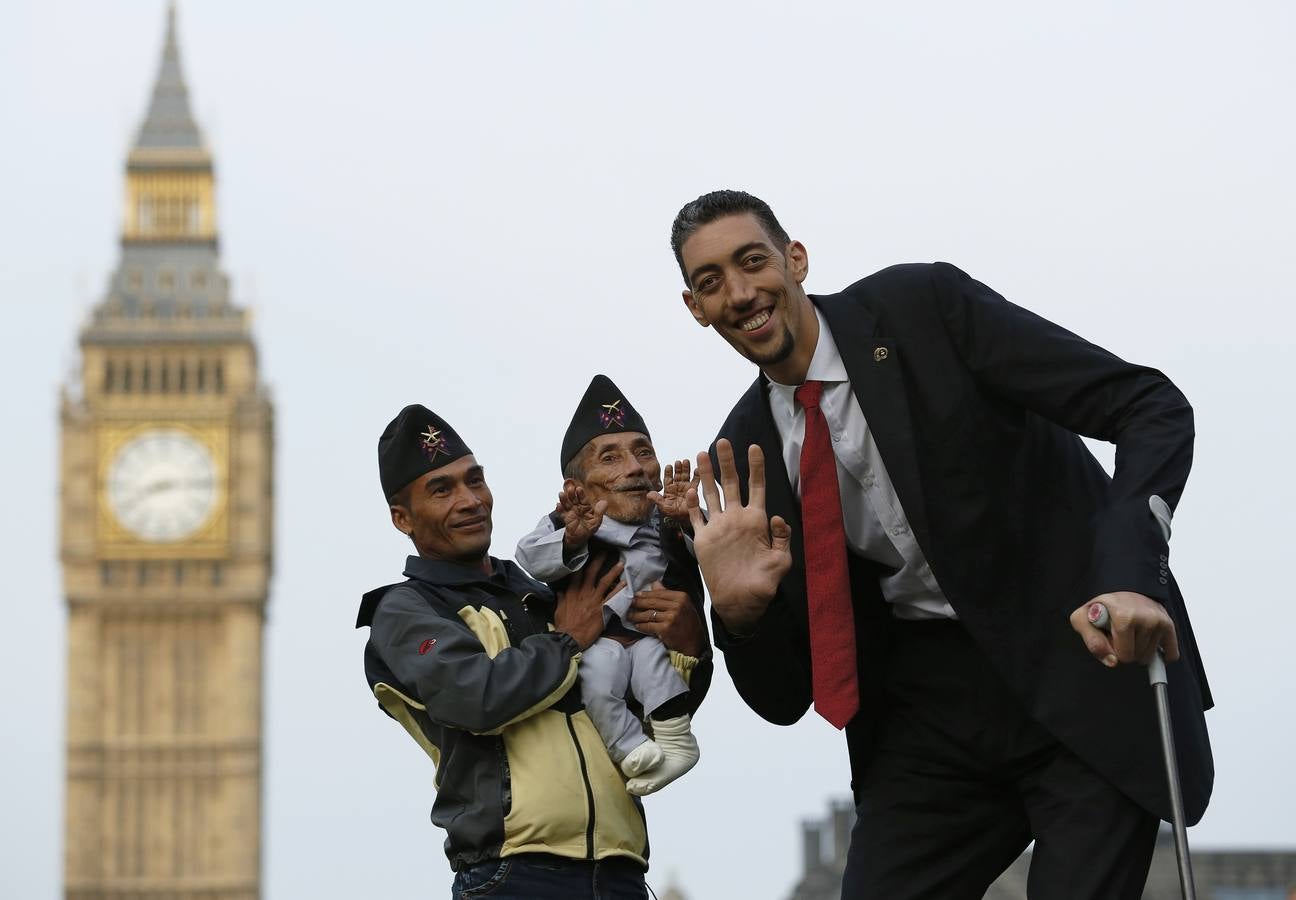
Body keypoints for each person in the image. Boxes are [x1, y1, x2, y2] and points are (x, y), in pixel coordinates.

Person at [669, 190, 1213, 899]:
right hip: (927, 726)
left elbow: (1150, 408)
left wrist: (1129, 576)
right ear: (695, 308)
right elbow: (783, 698)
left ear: (795, 259)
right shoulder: (744, 458)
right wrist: (740, 615)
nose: (740, 294)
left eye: (752, 262)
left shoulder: (923, 308)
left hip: (1080, 661)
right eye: (711, 283)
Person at [356, 404, 693, 899]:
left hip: (622, 870)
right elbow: (475, 697)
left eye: (476, 480)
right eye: (442, 489)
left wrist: (688, 643)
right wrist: (569, 640)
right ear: (401, 518)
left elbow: (637, 705)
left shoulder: (548, 589)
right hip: (513, 874)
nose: (470, 500)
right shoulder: (406, 610)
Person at [515, 375, 710, 796]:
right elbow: (530, 557)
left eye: (643, 453)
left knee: (656, 673)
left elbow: (718, 555)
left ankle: (676, 741)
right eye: (611, 458)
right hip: (599, 642)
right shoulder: (566, 523)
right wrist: (570, 538)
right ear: (577, 487)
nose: (635, 468)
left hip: (650, 640)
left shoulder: (667, 519)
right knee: (598, 674)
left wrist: (686, 521)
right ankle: (631, 747)